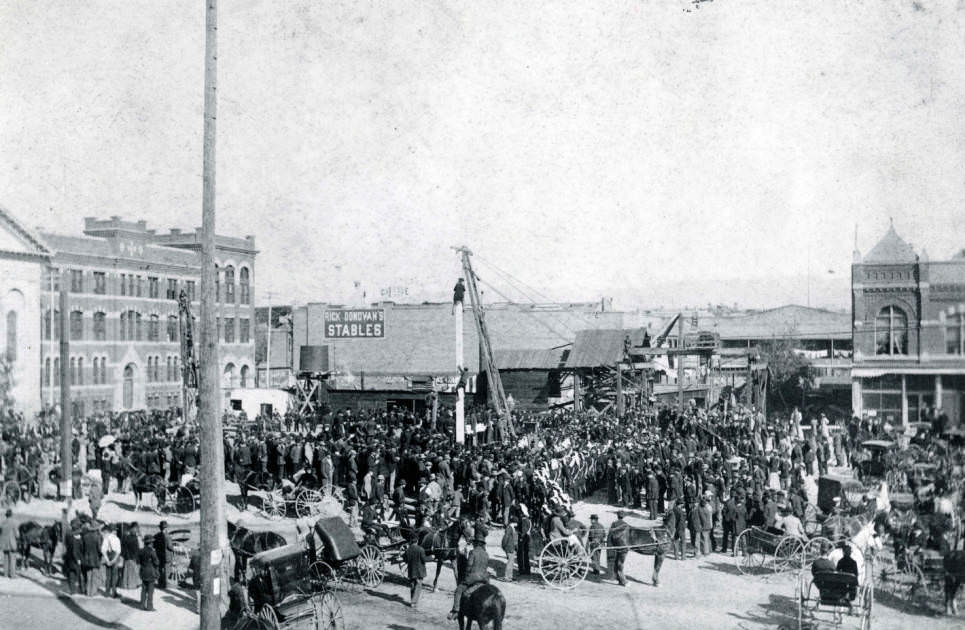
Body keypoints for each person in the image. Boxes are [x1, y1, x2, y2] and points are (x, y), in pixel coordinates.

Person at [448, 531, 489, 621]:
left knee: (458, 590)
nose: (473, 544)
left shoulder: (472, 552)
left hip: (474, 577)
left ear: (476, 543)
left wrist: (466, 576)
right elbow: (486, 566)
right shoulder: (486, 554)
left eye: (474, 543)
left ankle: (456, 611)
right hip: (485, 578)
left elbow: (469, 566)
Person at [404, 530, 428, 608]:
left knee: (412, 586)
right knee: (418, 586)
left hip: (411, 571)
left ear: (411, 541)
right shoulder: (421, 549)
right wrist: (431, 558)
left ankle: (412, 600)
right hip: (419, 571)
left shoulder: (408, 550)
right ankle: (413, 602)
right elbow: (424, 560)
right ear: (417, 540)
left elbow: (405, 560)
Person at [608, 510, 630, 586]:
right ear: (623, 517)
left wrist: (609, 545)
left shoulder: (614, 523)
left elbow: (610, 534)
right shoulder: (625, 524)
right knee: (620, 561)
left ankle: (615, 575)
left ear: (617, 516)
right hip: (622, 544)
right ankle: (621, 579)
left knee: (616, 560)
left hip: (614, 544)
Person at [101, 521, 122, 598]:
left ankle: (107, 592)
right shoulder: (117, 539)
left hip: (108, 556)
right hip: (114, 557)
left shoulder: (106, 538)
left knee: (108, 576)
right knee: (114, 576)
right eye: (115, 530)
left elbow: (103, 550)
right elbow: (118, 551)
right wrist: (113, 560)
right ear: (114, 530)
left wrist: (107, 560)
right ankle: (113, 593)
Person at [138, 534, 159, 611]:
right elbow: (156, 562)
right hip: (151, 572)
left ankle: (142, 605)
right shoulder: (152, 551)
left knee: (143, 589)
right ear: (151, 543)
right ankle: (149, 606)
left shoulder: (141, 551)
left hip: (143, 571)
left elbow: (139, 561)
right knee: (150, 590)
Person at [154, 521, 173, 590]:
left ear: (160, 528)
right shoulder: (168, 536)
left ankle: (160, 583)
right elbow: (169, 546)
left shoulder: (156, 535)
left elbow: (154, 545)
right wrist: (173, 549)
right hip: (166, 556)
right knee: (166, 570)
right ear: (166, 528)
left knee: (159, 569)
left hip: (159, 555)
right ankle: (165, 584)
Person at [1, 508, 18, 578]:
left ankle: (5, 574)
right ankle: (12, 574)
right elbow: (17, 535)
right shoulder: (14, 522)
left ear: (6, 515)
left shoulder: (2, 523)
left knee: (5, 559)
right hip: (12, 544)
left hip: (4, 544)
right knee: (12, 559)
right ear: (11, 515)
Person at [518, 504, 532, 576]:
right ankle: (527, 569)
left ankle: (522, 570)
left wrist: (521, 537)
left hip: (523, 538)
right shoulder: (528, 520)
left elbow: (523, 530)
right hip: (527, 537)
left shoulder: (523, 520)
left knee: (521, 554)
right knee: (526, 554)